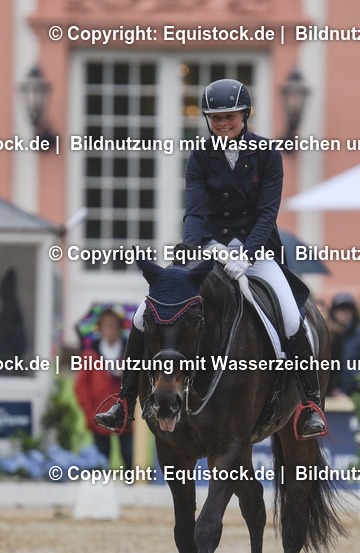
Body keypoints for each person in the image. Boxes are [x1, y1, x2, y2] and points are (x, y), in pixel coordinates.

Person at [96, 79, 327, 438]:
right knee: (145, 314)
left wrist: (247, 253)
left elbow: (267, 212)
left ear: (244, 115)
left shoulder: (267, 155)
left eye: (229, 117)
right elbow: (194, 209)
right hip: (207, 249)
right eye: (215, 118)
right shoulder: (201, 155)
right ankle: (124, 401)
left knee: (292, 317)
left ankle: (311, 405)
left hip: (258, 250)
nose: (222, 123)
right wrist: (195, 248)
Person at [74, 309, 133, 470]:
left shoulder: (131, 351)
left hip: (126, 414)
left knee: (129, 457)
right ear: (100, 328)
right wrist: (90, 410)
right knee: (100, 460)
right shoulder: (90, 353)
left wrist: (126, 372)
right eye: (106, 325)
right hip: (99, 413)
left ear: (120, 327)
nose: (110, 328)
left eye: (114, 324)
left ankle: (131, 490)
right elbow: (81, 386)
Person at [328, 293, 360, 397]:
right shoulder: (327, 336)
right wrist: (333, 390)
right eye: (340, 309)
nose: (343, 313)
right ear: (333, 312)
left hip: (358, 396)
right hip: (330, 398)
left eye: (347, 309)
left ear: (353, 312)